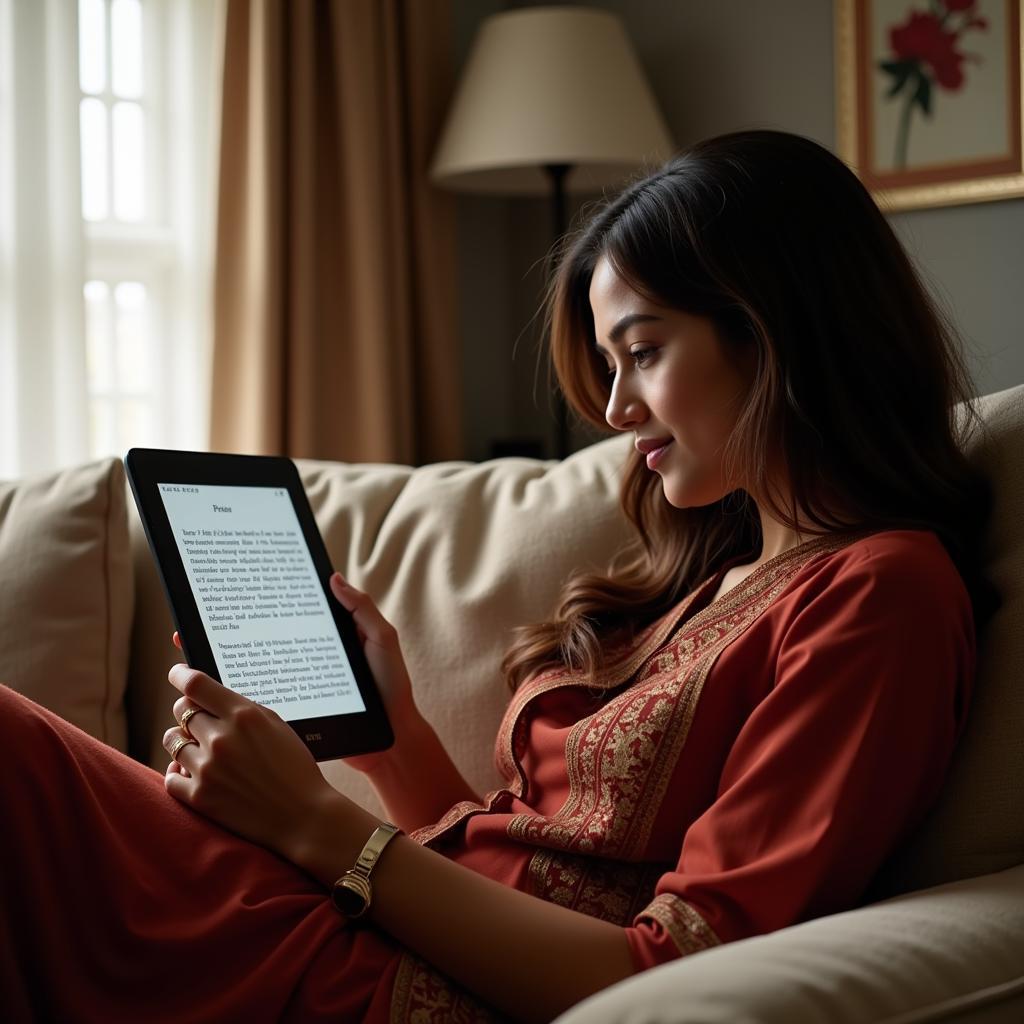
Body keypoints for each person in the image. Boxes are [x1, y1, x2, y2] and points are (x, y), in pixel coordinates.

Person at [0, 129, 998, 1024]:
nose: (611, 407)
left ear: (777, 330)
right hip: (362, 929)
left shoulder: (879, 595)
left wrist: (312, 821)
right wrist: (397, 742)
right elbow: (525, 863)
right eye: (607, 365)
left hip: (374, 976)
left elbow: (670, 970)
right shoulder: (725, 571)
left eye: (641, 353)